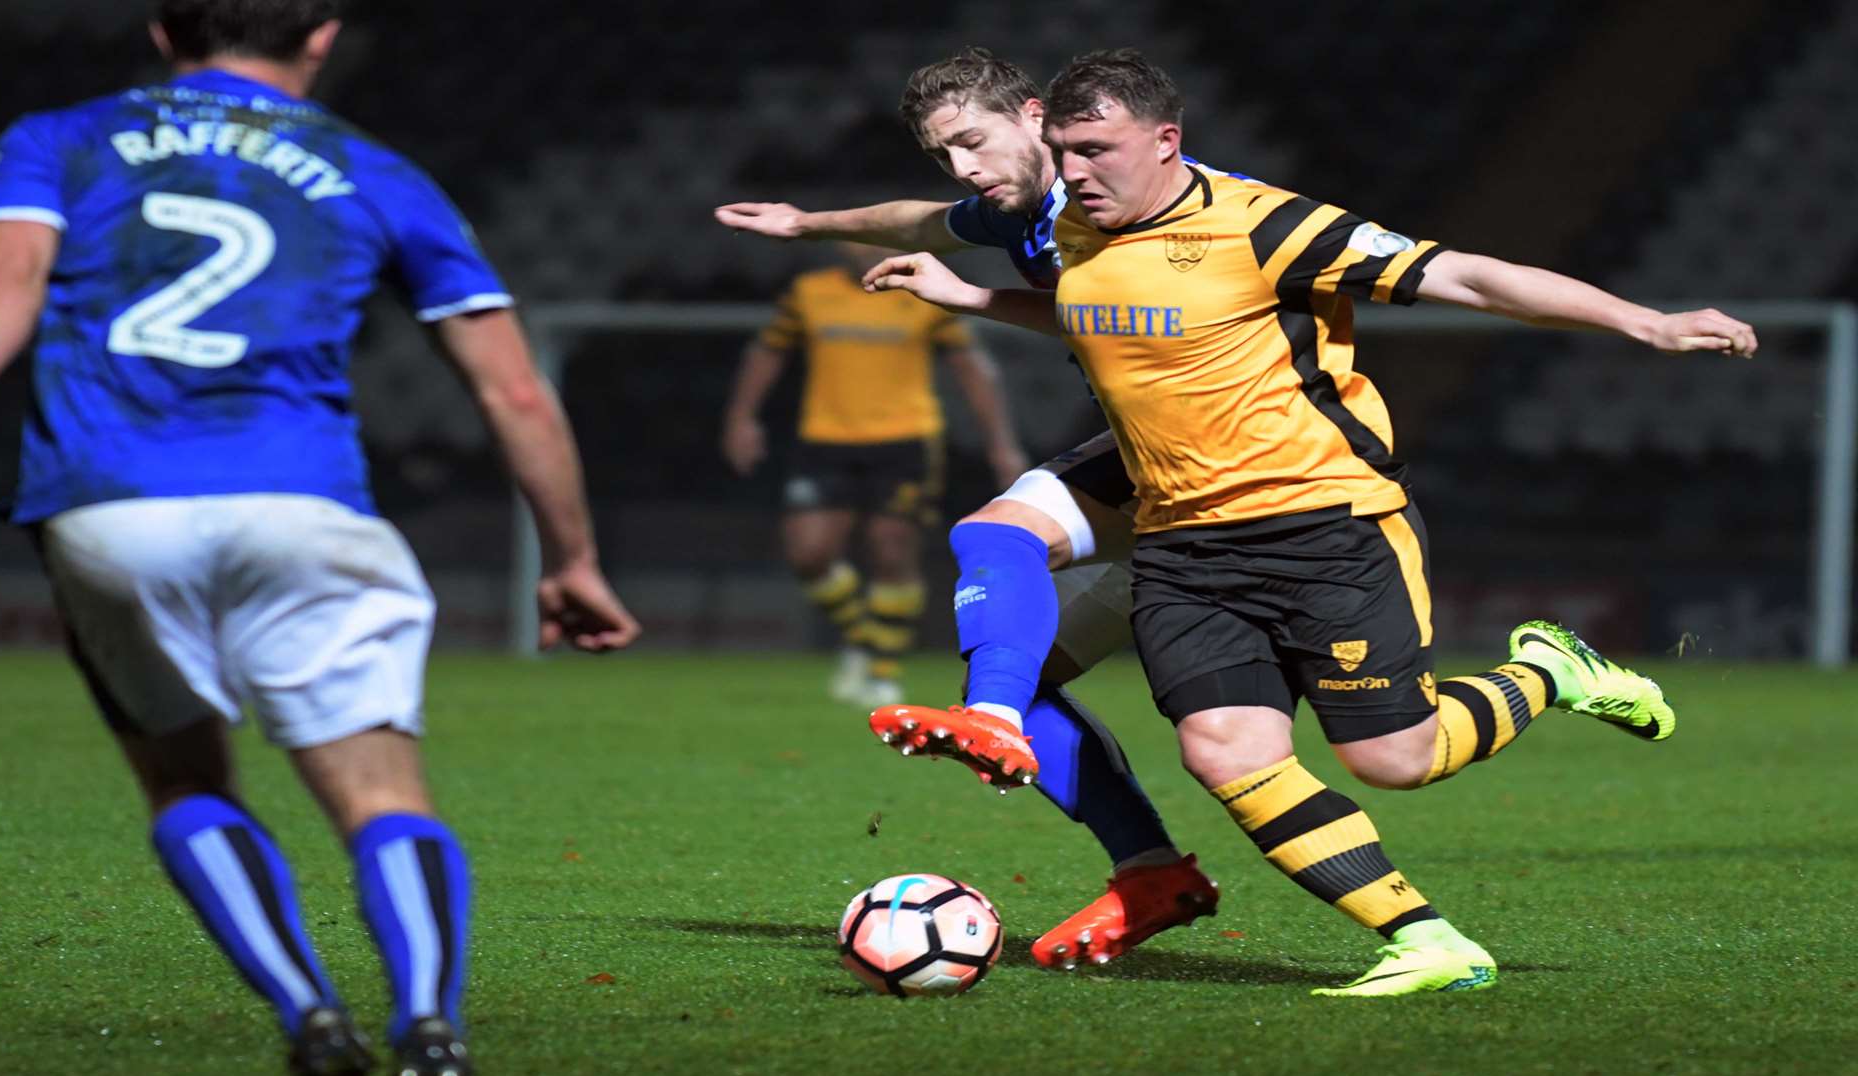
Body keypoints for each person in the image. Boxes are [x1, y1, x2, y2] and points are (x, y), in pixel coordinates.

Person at [862, 48, 1755, 996]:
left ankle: (1550, 671)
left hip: (1323, 521)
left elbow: (1471, 278)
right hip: (1179, 537)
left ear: (1166, 142)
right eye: (1065, 153)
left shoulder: (1269, 226)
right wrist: (901, 266)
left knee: (1396, 758)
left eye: (1096, 150)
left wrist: (1645, 324)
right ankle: (1425, 940)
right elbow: (1099, 306)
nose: (1076, 174)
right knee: (1223, 750)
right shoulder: (1075, 225)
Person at [0, 1, 639, 1074]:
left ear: (164, 32)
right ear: (321, 36)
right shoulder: (374, 167)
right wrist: (573, 558)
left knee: (187, 784)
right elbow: (513, 392)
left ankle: (310, 1013)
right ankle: (429, 1029)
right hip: (301, 505)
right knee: (379, 797)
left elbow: (5, 275)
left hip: (106, 507)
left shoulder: (59, 137)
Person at [717, 50, 1217, 970]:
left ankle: (1538, 677)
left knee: (1388, 747)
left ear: (1036, 117)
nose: (962, 172)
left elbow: (1238, 282)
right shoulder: (1020, 207)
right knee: (1001, 595)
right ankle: (1147, 868)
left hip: (1252, 476)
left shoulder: (1138, 201)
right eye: (945, 153)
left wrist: (974, 299)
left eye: (973, 143)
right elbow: (922, 220)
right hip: (1159, 463)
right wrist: (804, 224)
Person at [723, 243, 1026, 707]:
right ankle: (867, 639)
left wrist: (1000, 444)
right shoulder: (810, 292)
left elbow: (972, 368)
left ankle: (880, 671)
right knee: (809, 553)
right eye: (861, 238)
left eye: (880, 238)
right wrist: (742, 418)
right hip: (824, 438)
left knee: (891, 551)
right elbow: (766, 353)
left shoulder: (924, 295)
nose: (870, 249)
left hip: (906, 440)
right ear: (843, 243)